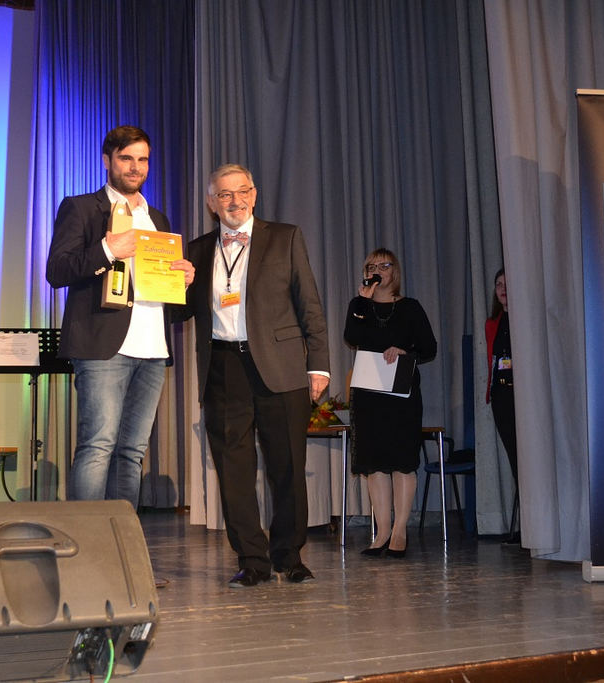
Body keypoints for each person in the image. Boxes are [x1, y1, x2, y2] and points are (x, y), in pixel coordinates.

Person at [175, 163, 330, 587]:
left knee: (288, 467)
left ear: (254, 194)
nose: (235, 201)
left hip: (281, 366)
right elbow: (177, 313)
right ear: (212, 202)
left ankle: (289, 556)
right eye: (225, 194)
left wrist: (318, 363)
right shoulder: (196, 250)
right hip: (223, 367)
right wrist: (178, 285)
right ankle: (252, 559)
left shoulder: (285, 237)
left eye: (242, 191)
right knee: (234, 472)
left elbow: (309, 303)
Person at [45, 125, 194, 507]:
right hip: (102, 347)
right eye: (126, 158)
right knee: (98, 445)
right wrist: (108, 250)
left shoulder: (157, 218)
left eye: (142, 159)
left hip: (153, 349)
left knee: (131, 452)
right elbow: (57, 271)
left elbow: (164, 292)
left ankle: (121, 534)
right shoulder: (81, 208)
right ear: (107, 160)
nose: (135, 167)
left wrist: (183, 280)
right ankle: (87, 535)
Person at [344, 249, 436, 558]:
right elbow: (351, 336)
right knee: (375, 464)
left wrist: (405, 351)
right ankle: (382, 531)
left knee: (401, 461)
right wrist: (362, 302)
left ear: (394, 271)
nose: (378, 270)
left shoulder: (410, 307)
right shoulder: (359, 306)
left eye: (384, 265)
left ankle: (399, 531)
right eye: (372, 266)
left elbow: (429, 348)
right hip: (369, 394)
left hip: (401, 393)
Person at [485, 268, 519, 543]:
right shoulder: (492, 323)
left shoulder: (524, 319)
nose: (503, 289)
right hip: (501, 396)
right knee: (515, 459)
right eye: (498, 284)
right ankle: (524, 527)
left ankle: (532, 526)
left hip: (523, 396)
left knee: (526, 461)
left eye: (507, 283)